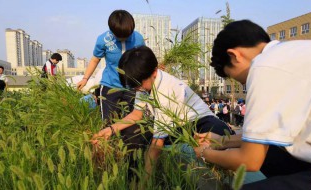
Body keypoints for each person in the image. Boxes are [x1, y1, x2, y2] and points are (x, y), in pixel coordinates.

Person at [193, 20, 311, 189]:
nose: (243, 84)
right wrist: (221, 141)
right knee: (273, 151)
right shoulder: (292, 53)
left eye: (235, 77)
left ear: (234, 55)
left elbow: (250, 161)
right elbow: (265, 139)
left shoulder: (264, 65)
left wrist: (205, 153)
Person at [91, 46, 235, 176]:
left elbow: (157, 144)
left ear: (154, 71)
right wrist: (111, 129)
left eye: (138, 84)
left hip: (200, 123)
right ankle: (132, 177)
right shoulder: (144, 84)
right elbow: (137, 114)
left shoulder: (164, 90)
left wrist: (145, 181)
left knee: (216, 137)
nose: (136, 89)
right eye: (133, 86)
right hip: (178, 128)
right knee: (134, 134)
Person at [77, 10, 145, 124]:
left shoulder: (138, 38)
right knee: (108, 122)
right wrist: (85, 79)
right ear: (112, 31)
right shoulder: (103, 40)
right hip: (110, 86)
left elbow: (143, 58)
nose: (123, 39)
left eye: (127, 36)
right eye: (120, 37)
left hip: (132, 87)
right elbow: (95, 59)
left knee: (129, 123)